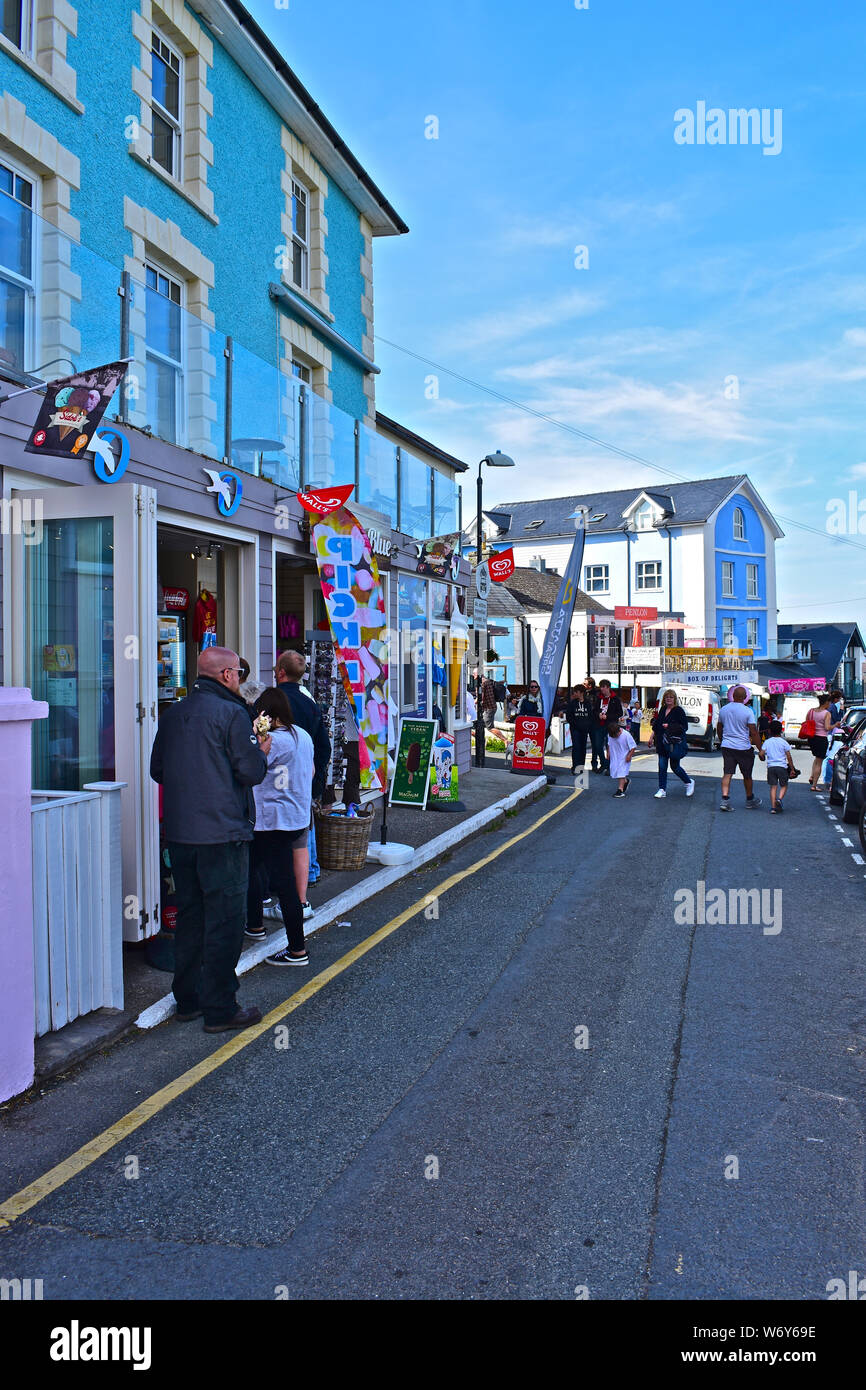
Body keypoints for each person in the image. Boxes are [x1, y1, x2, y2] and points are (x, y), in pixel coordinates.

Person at [150, 646, 269, 1033]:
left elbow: (157, 771)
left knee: (190, 917)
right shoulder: (233, 714)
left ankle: (188, 999)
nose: (241, 679)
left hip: (182, 835)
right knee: (224, 922)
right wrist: (262, 751)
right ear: (227, 675)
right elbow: (250, 772)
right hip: (223, 834)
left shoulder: (174, 714)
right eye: (239, 673)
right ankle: (220, 1007)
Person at [244, 687, 314, 965]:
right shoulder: (303, 736)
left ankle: (297, 949)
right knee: (256, 868)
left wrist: (256, 736)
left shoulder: (271, 740)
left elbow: (252, 768)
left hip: (271, 817)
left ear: (266, 715)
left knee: (278, 882)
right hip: (296, 815)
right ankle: (254, 924)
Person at [274, 650, 331, 914]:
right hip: (304, 777)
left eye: (276, 668)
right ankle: (309, 875)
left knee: (279, 833)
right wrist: (316, 774)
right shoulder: (311, 703)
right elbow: (324, 745)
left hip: (275, 777)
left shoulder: (273, 700)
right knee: (302, 828)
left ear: (281, 672)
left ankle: (282, 889)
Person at [717, 685, 765, 811]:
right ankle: (750, 800)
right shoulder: (747, 711)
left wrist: (723, 740)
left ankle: (725, 800)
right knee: (747, 775)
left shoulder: (724, 710)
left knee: (727, 773)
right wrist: (760, 749)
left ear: (733, 696)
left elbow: (719, 727)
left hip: (727, 746)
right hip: (743, 747)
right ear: (745, 698)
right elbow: (753, 732)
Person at [649, 688, 695, 799]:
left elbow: (684, 727)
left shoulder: (679, 710)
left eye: (671, 697)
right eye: (667, 697)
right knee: (662, 766)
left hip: (673, 743)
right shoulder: (662, 709)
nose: (668, 699)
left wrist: (669, 726)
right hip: (661, 742)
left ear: (674, 699)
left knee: (675, 767)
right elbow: (656, 725)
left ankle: (688, 782)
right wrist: (651, 737)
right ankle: (662, 789)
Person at [763, 719, 796, 814]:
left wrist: (762, 757)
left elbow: (761, 753)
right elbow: (789, 756)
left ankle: (773, 807)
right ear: (781, 730)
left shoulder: (767, 742)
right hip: (782, 767)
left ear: (769, 731)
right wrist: (792, 769)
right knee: (784, 785)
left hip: (771, 767)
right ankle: (779, 799)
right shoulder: (783, 742)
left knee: (773, 787)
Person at [807, 692, 838, 790]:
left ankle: (812, 776)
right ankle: (814, 785)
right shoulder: (826, 713)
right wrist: (836, 725)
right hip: (821, 738)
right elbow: (827, 727)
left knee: (817, 758)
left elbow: (807, 722)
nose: (830, 704)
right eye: (829, 702)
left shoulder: (811, 711)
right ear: (826, 702)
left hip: (812, 738)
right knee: (819, 761)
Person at [565, 683, 592, 774]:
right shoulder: (572, 703)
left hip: (584, 729)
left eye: (575, 692)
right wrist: (575, 725)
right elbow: (569, 716)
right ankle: (575, 767)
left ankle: (581, 767)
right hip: (575, 729)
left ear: (580, 693)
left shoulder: (588, 703)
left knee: (583, 748)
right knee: (576, 747)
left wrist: (587, 726)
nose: (574, 694)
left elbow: (590, 716)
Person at [607, 720, 636, 798]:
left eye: (616, 735)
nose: (614, 737)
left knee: (621, 772)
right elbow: (609, 744)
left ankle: (620, 790)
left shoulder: (626, 735)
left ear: (619, 731)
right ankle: (625, 782)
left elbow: (633, 747)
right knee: (616, 771)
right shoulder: (610, 734)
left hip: (624, 756)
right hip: (615, 756)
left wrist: (629, 755)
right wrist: (608, 753)